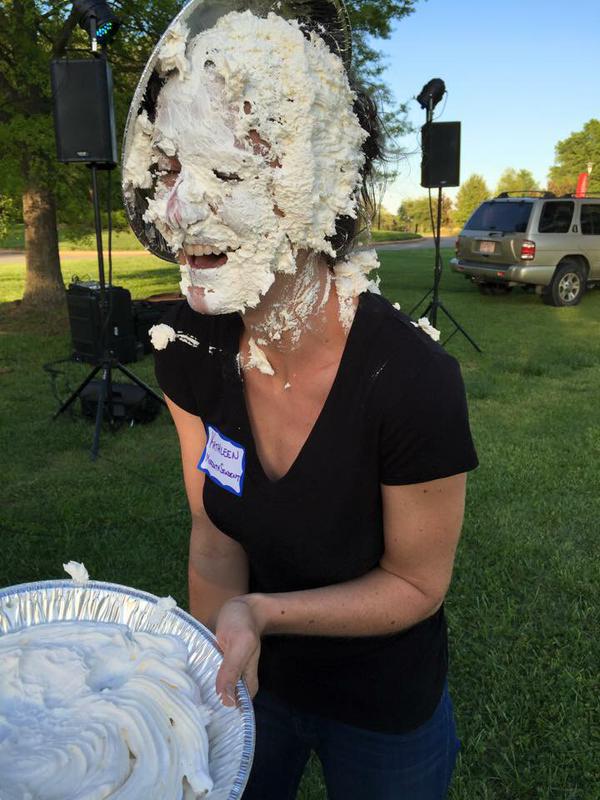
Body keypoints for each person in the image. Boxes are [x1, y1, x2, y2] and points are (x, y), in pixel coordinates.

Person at [131, 8, 478, 799]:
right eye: (171, 170)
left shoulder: (413, 382)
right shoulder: (188, 349)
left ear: (311, 178)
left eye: (222, 173)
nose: (178, 213)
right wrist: (215, 675)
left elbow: (416, 586)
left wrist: (262, 615)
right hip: (257, 684)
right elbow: (214, 535)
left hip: (384, 706)